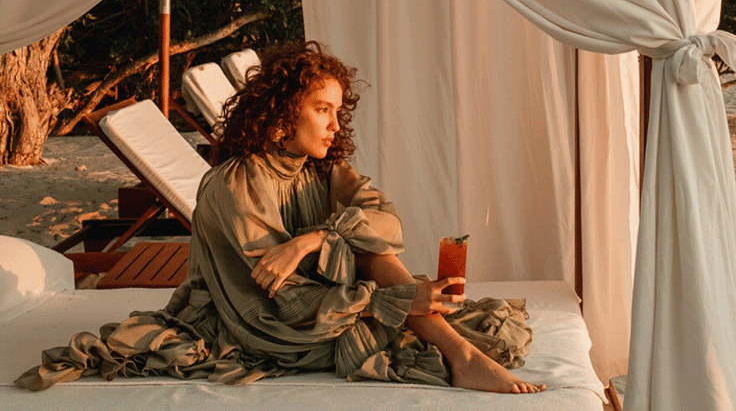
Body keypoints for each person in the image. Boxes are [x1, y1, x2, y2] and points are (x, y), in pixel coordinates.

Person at [17, 42, 545, 394]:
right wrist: (390, 299)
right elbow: (282, 301)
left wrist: (314, 238)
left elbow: (389, 226)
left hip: (315, 300)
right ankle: (459, 354)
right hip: (259, 320)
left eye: (338, 111)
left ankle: (459, 352)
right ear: (281, 113)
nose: (335, 125)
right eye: (322, 109)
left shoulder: (321, 169)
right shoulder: (236, 183)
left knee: (369, 242)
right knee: (392, 293)